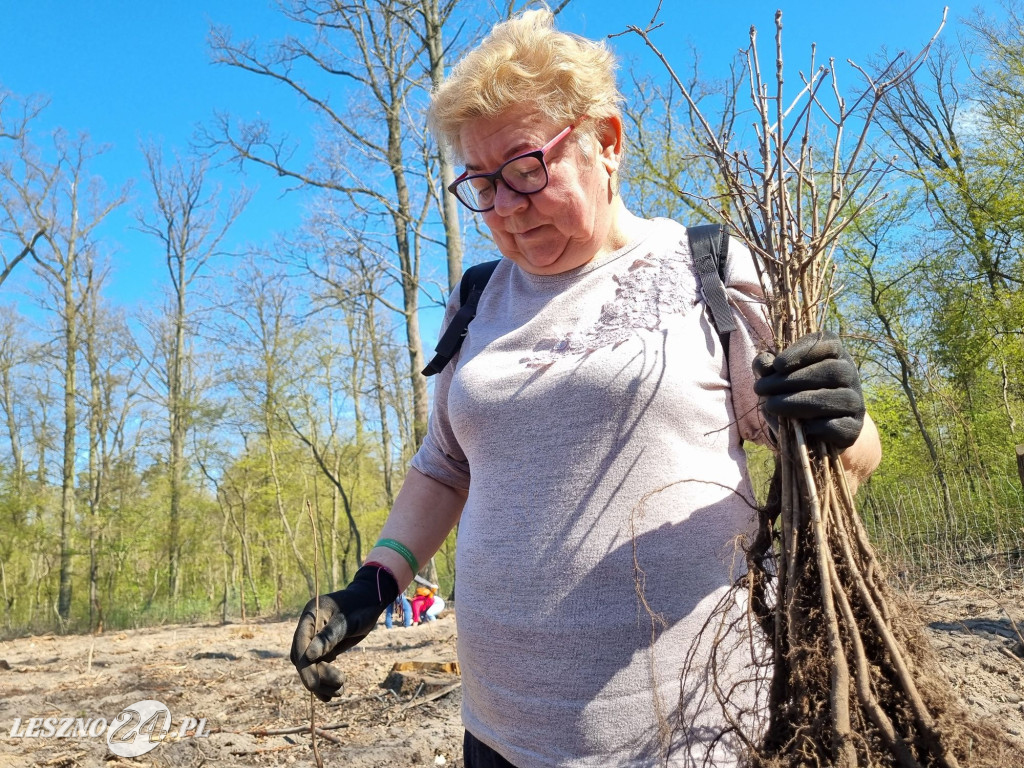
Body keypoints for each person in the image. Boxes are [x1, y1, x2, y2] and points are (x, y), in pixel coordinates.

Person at [290, 8, 882, 767]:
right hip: (501, 733)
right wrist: (373, 584)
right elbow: (444, 465)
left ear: (607, 141)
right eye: (480, 182)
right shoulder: (478, 301)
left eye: (526, 168)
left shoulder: (708, 269)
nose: (503, 207)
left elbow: (837, 456)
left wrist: (847, 419)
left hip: (687, 732)